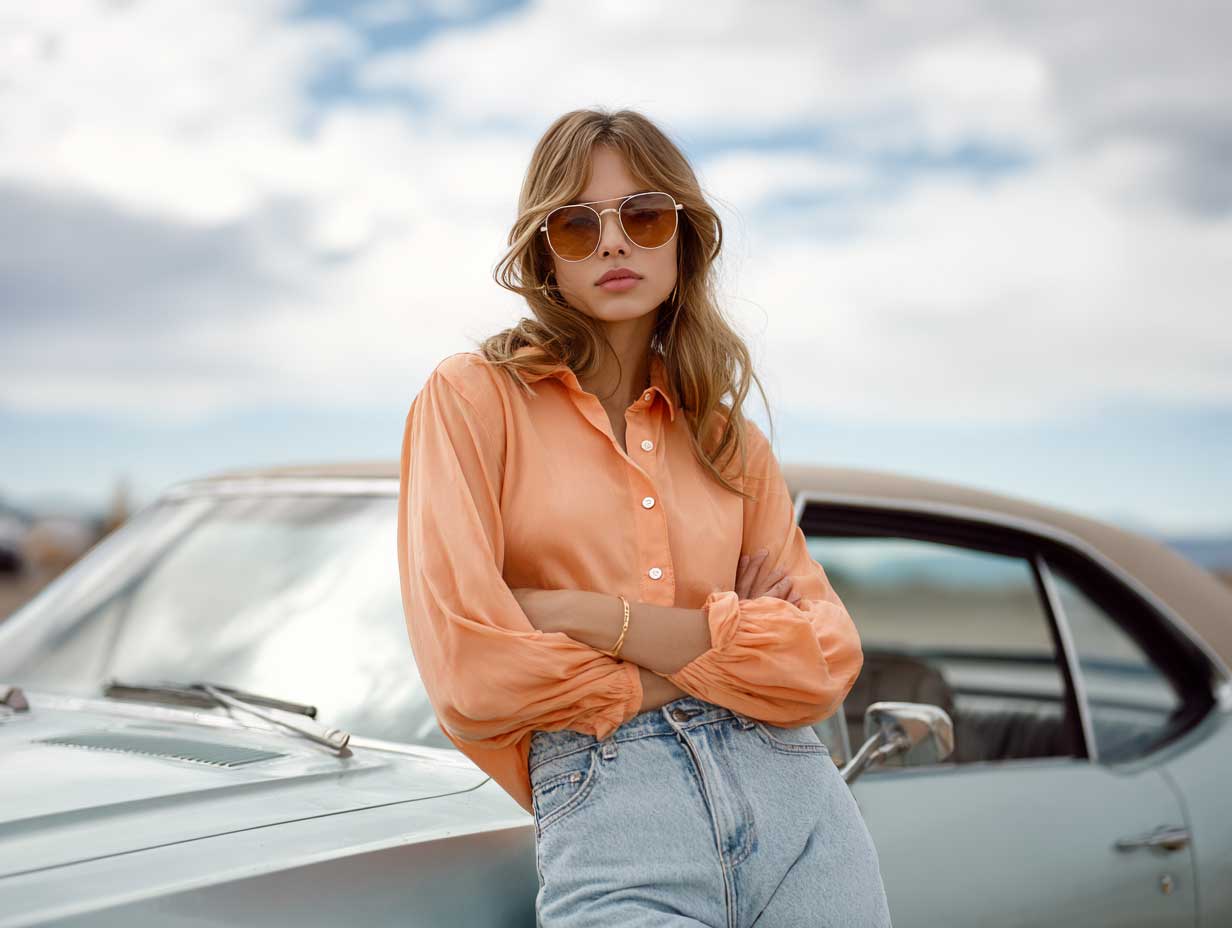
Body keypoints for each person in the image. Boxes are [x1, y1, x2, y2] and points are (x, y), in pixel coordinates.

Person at [397, 108, 893, 926]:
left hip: (798, 803)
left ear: (683, 237)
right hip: (611, 811)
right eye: (577, 225)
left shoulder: (730, 439)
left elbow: (825, 659)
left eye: (643, 215)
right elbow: (474, 673)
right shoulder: (470, 399)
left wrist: (589, 617)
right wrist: (722, 657)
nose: (615, 243)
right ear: (543, 254)